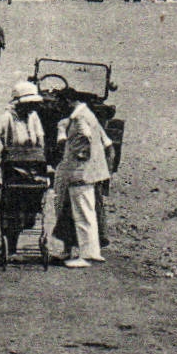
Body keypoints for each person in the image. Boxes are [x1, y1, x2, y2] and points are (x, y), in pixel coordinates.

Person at [53, 97, 112, 268]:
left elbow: (85, 139)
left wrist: (79, 157)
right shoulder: (88, 114)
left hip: (81, 172)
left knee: (82, 213)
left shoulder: (79, 118)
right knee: (85, 212)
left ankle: (86, 255)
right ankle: (90, 251)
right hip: (89, 172)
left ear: (70, 102)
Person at [0, 80, 47, 172]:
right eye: (31, 103)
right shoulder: (8, 116)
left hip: (34, 160)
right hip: (13, 162)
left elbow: (40, 137)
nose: (35, 106)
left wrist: (40, 154)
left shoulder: (33, 116)